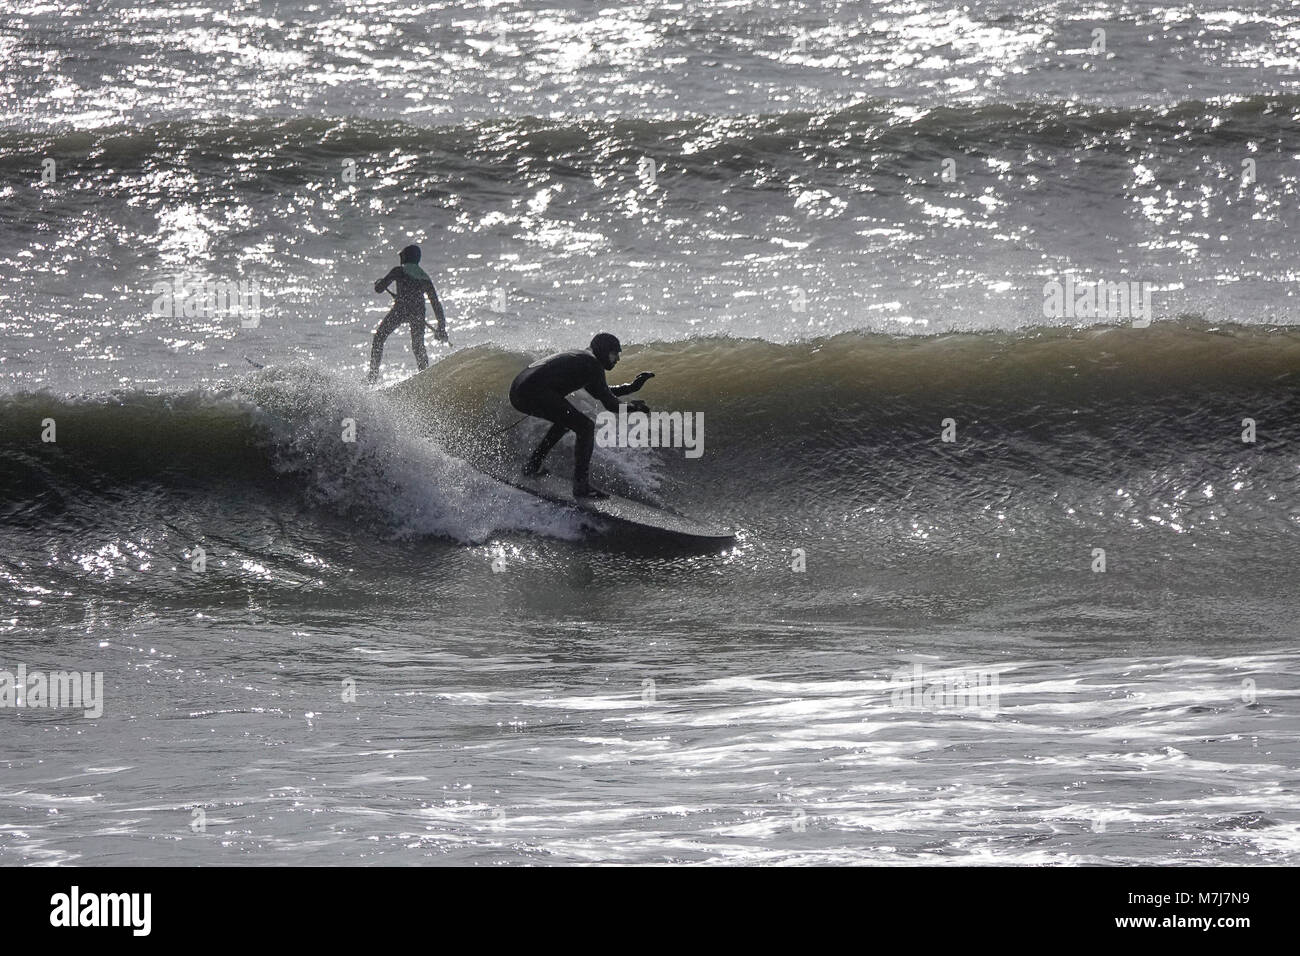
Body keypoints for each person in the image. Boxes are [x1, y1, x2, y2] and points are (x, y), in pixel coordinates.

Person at [509, 333, 654, 498]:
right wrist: (634, 407)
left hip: (519, 392)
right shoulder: (592, 364)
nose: (618, 359)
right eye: (615, 353)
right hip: (533, 393)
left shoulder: (583, 359)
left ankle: (532, 465)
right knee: (585, 427)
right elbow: (611, 404)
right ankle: (581, 486)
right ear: (603, 350)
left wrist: (631, 387)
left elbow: (601, 391)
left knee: (567, 422)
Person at [369, 243, 447, 383]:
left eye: (402, 255)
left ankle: (373, 377)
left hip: (401, 310)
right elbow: (435, 303)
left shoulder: (398, 271)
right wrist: (441, 326)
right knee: (418, 347)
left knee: (379, 338)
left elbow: (379, 289)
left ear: (406, 257)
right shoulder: (424, 277)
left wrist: (379, 283)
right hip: (418, 312)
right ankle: (426, 379)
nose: (400, 257)